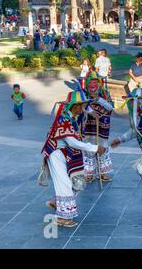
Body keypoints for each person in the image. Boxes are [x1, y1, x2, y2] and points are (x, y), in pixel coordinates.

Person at [41, 91, 105, 227]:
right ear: (75, 106)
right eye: (81, 106)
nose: (82, 109)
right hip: (57, 155)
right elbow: (72, 142)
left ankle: (56, 203)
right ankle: (62, 217)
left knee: (75, 182)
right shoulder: (64, 120)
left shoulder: (71, 118)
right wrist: (94, 148)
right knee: (64, 184)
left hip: (66, 154)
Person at [82, 72, 114, 183]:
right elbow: (80, 107)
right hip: (88, 128)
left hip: (102, 127)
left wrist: (98, 99)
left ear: (99, 84)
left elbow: (110, 108)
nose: (92, 85)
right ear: (86, 84)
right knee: (88, 149)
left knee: (103, 149)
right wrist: (90, 112)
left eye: (95, 82)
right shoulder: (83, 95)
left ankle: (102, 173)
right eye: (90, 82)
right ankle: (89, 173)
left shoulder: (104, 95)